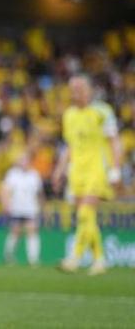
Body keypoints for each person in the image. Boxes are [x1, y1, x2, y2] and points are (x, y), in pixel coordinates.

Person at [52, 75, 123, 275]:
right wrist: (59, 170)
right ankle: (99, 260)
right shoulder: (69, 115)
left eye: (80, 88)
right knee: (87, 217)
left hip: (98, 169)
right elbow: (69, 147)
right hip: (78, 172)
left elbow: (114, 141)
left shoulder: (102, 111)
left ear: (89, 90)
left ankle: (74, 258)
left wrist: (116, 170)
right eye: (73, 88)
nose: (76, 92)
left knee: (85, 213)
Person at [1, 152, 43, 266]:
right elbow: (5, 191)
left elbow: (39, 193)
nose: (24, 163)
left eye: (26, 160)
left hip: (31, 208)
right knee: (15, 232)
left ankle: (33, 258)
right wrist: (6, 204)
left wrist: (41, 206)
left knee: (32, 230)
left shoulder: (35, 175)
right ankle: (9, 256)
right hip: (16, 207)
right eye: (22, 160)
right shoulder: (12, 174)